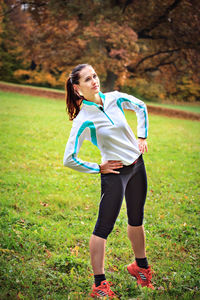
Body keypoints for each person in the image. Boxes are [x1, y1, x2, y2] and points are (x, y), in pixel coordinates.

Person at [63, 64, 154, 298]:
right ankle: (99, 285)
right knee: (103, 228)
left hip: (137, 166)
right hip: (114, 175)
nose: (94, 81)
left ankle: (141, 268)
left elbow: (140, 106)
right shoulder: (83, 119)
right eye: (87, 79)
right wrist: (98, 168)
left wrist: (142, 135)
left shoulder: (114, 99)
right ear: (77, 88)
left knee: (137, 219)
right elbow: (69, 159)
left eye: (94, 76)